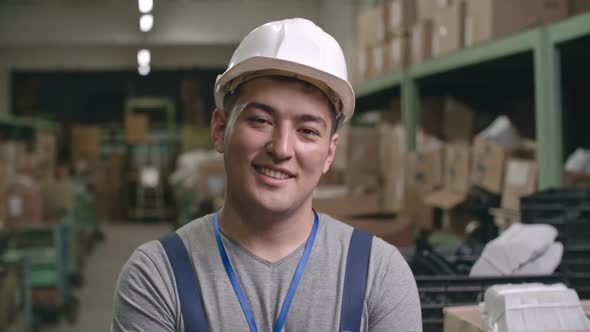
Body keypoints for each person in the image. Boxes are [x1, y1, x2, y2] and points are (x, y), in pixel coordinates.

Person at [112, 18, 421, 332]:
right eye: (261, 120)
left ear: (329, 153)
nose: (282, 148)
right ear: (220, 130)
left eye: (307, 131)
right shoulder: (157, 275)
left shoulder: (377, 275)